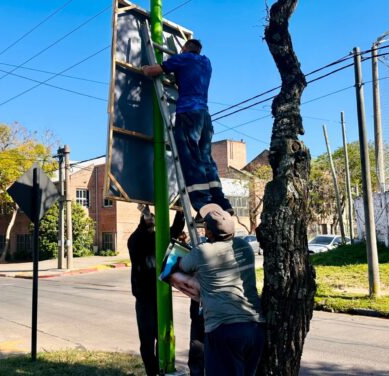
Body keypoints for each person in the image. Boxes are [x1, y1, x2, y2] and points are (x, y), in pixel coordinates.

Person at [143, 39, 232, 216]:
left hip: (188, 113)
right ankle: (220, 201)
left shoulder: (182, 58)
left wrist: (144, 69)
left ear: (185, 49)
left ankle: (203, 203)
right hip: (205, 116)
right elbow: (189, 78)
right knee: (205, 158)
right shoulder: (206, 62)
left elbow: (153, 71)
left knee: (190, 157)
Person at [178, 203, 265, 376]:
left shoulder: (203, 251)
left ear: (209, 232)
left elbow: (182, 265)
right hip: (254, 328)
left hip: (223, 330)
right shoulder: (245, 247)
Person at [127, 206, 185, 376]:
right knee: (146, 342)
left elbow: (174, 230)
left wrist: (180, 212)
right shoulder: (136, 240)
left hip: (160, 295)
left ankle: (162, 369)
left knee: (162, 336)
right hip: (144, 298)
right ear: (143, 224)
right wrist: (145, 221)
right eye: (149, 221)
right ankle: (152, 372)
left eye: (153, 221)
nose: (152, 223)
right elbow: (139, 238)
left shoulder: (158, 238)